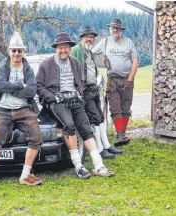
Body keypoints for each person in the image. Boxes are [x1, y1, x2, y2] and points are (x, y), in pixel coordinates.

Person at [36, 32, 115, 179]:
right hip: (58, 102)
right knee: (69, 126)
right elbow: (39, 87)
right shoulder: (46, 65)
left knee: (86, 128)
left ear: (70, 48)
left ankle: (99, 165)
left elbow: (80, 82)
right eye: (60, 48)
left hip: (74, 99)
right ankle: (79, 166)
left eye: (66, 47)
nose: (63, 50)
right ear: (56, 48)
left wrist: (79, 92)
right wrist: (53, 97)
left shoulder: (75, 62)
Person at [0, 32, 43, 193]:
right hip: (3, 109)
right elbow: (1, 86)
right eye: (13, 50)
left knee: (36, 138)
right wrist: (20, 85)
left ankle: (25, 175)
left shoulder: (28, 69)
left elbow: (31, 91)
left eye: (19, 50)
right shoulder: (2, 67)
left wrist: (15, 87)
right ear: (9, 51)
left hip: (24, 109)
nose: (16, 53)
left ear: (23, 52)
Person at [70, 26, 123, 158]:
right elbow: (72, 71)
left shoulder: (90, 52)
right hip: (85, 91)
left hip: (93, 89)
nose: (90, 39)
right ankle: (99, 149)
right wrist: (79, 89)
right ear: (82, 38)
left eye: (92, 37)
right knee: (94, 119)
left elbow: (93, 70)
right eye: (87, 37)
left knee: (99, 117)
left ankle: (107, 146)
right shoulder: (76, 50)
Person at [91, 19, 139, 146]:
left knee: (126, 108)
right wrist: (101, 62)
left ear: (121, 30)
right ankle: (120, 134)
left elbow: (135, 61)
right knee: (115, 108)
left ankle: (122, 134)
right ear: (110, 29)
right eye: (113, 28)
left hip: (126, 79)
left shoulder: (129, 43)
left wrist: (130, 79)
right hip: (112, 80)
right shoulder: (105, 41)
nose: (115, 30)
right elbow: (91, 54)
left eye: (117, 28)